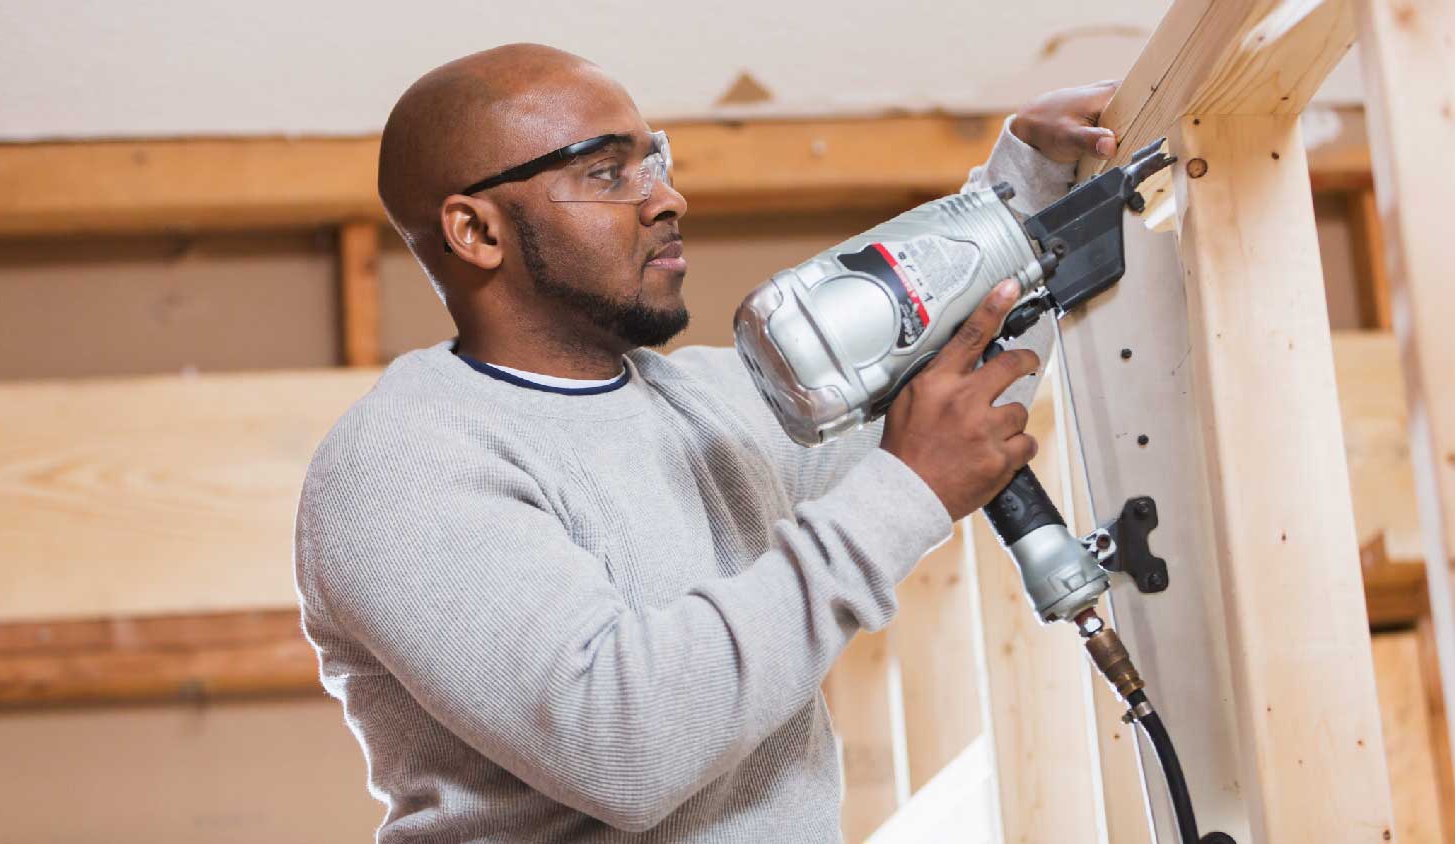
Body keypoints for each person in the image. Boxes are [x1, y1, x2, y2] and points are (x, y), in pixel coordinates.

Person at [295, 43, 1119, 843]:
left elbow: (970, 395)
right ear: (477, 232)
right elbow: (625, 747)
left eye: (655, 160)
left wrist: (1024, 185)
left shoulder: (710, 405)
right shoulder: (402, 466)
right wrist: (905, 491)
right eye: (606, 172)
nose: (665, 198)